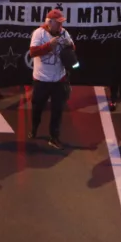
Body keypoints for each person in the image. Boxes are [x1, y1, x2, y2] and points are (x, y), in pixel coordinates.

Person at [28, 9, 74, 150]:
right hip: (41, 80)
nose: (60, 25)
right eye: (58, 22)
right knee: (37, 108)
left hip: (59, 79)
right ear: (49, 22)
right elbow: (33, 52)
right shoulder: (39, 33)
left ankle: (54, 137)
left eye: (61, 22)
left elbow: (73, 48)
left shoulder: (64, 33)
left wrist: (69, 44)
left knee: (57, 111)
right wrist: (49, 46)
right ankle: (34, 128)